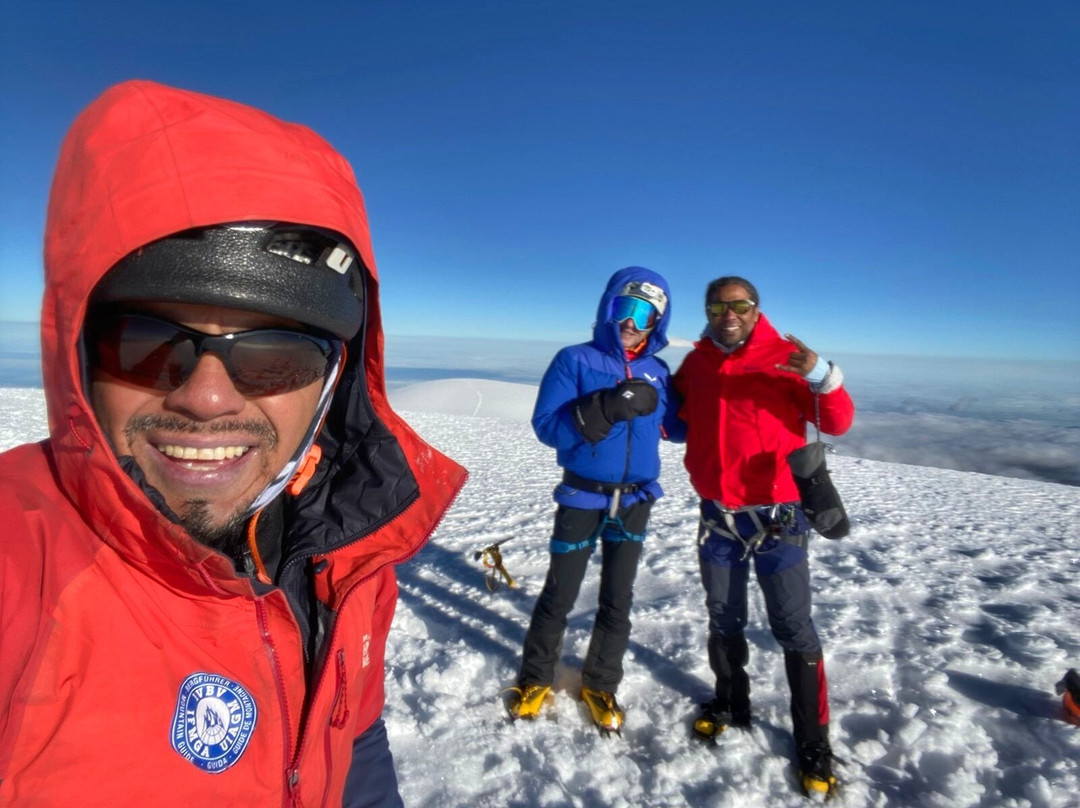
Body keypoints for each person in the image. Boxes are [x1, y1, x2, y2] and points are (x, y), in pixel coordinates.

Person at [0, 81, 466, 807]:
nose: (208, 396)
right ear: (78, 354)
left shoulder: (350, 559)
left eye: (273, 357)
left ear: (333, 382)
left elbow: (354, 737)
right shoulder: (19, 565)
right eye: (146, 344)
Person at [673, 276, 854, 797]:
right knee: (723, 617)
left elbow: (837, 422)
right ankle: (732, 702)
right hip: (718, 516)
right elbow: (680, 420)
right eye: (717, 305)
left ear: (755, 309)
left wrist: (823, 376)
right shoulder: (698, 364)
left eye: (739, 304)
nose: (728, 313)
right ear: (707, 312)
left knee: (794, 627)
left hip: (780, 518)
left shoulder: (785, 357)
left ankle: (813, 742)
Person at [507, 268, 683, 732]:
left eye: (646, 315)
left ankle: (601, 684)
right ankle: (535, 678)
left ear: (657, 325)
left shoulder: (658, 373)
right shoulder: (575, 360)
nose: (632, 322)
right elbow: (546, 426)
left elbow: (679, 428)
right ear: (609, 309)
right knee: (559, 594)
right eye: (625, 308)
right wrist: (604, 407)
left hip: (635, 502)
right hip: (582, 496)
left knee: (617, 600)